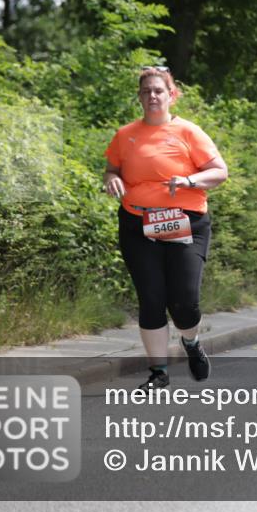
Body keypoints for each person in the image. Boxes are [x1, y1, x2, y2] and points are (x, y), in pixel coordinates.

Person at [103, 66, 228, 390]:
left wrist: (189, 180)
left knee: (185, 302)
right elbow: (111, 169)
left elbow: (219, 172)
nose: (152, 96)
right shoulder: (125, 135)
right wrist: (113, 180)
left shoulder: (189, 132)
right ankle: (158, 372)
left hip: (185, 222)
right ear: (139, 97)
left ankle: (191, 342)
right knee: (151, 297)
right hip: (138, 223)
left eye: (159, 90)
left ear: (171, 95)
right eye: (146, 91)